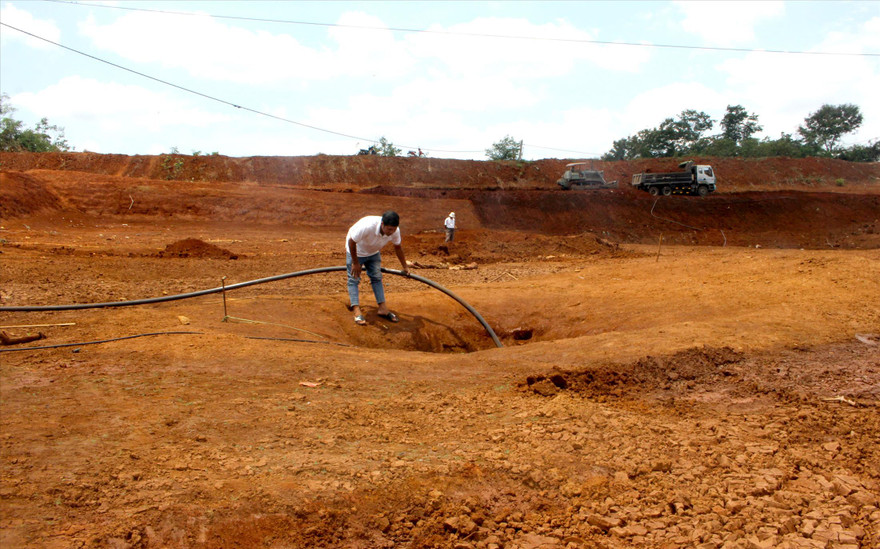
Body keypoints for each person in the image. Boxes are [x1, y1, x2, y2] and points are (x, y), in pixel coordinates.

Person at [346, 211, 408, 325]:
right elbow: (351, 241)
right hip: (357, 251)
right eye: (389, 229)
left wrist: (405, 267)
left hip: (373, 252)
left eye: (393, 229)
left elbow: (398, 247)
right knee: (354, 278)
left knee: (377, 277)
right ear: (382, 224)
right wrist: (355, 263)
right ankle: (356, 309)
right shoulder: (367, 226)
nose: (391, 232)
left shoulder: (395, 231)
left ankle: (382, 308)